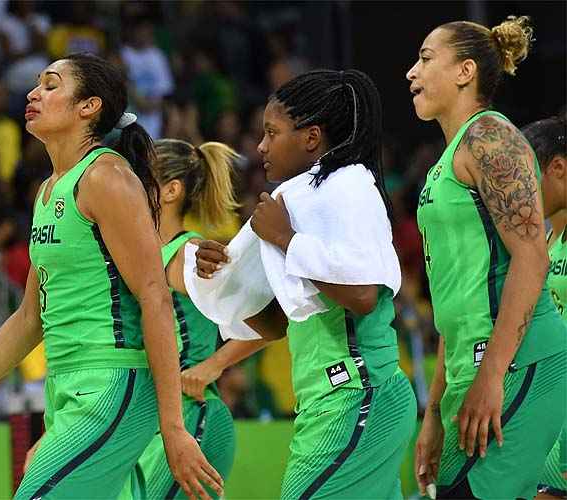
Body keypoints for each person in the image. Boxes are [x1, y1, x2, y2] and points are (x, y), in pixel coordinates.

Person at [0, 53, 222, 500]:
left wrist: (173, 429)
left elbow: (155, 299)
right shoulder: (49, 189)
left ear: (88, 106)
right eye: (36, 85)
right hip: (67, 386)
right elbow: (29, 318)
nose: (34, 93)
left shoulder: (107, 177)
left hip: (114, 384)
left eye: (51, 85)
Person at [195, 69, 417, 498]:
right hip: (333, 402)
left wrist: (284, 238)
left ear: (311, 137)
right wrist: (220, 275)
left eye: (272, 132)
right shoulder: (306, 196)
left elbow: (363, 295)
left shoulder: (347, 187)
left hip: (357, 397)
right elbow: (279, 323)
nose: (260, 146)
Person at [409, 17, 567, 499]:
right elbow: (454, 303)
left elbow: (532, 257)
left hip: (518, 363)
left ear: (465, 71)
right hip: (468, 365)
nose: (411, 72)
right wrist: (433, 414)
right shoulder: (448, 158)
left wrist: (493, 374)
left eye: (426, 58)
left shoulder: (490, 137)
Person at [133, 139, 240, 498]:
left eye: (139, 177)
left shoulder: (190, 254)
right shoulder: (145, 254)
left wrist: (213, 365)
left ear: (170, 191)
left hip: (193, 417)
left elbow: (273, 318)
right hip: (157, 422)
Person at [522, 115, 567, 499]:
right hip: (549, 403)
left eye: (526, 179)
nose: (520, 193)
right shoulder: (546, 240)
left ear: (558, 168)